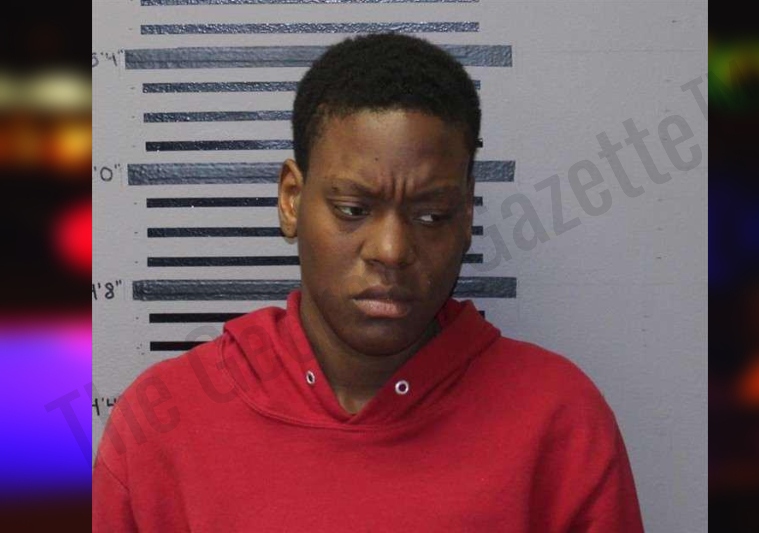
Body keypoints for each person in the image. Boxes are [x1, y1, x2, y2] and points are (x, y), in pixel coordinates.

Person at [92, 33, 645, 532]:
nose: (391, 251)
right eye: (353, 209)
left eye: (431, 215)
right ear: (292, 200)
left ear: (466, 216)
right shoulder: (163, 424)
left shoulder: (559, 420)